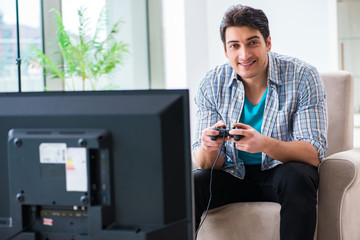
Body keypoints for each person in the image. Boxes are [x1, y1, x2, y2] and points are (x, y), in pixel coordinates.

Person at [192, 4, 328, 240]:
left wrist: (264, 144)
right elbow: (205, 164)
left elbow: (313, 153)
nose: (244, 55)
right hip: (233, 175)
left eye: (253, 42)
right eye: (235, 45)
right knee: (194, 183)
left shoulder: (303, 76)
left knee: (299, 176)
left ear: (268, 43)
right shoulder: (211, 83)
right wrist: (209, 147)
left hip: (280, 173)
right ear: (225, 51)